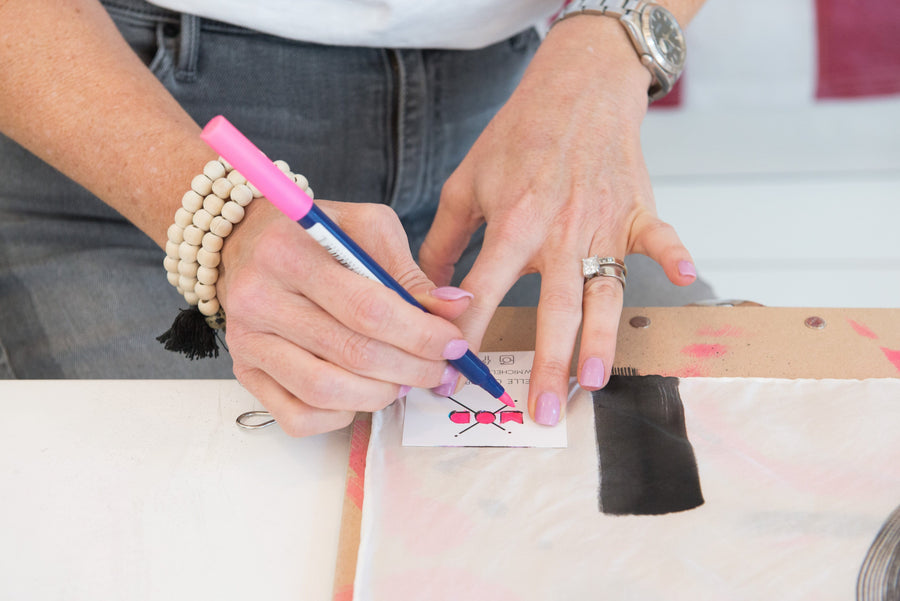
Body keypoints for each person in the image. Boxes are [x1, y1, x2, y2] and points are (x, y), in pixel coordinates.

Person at [0, 0, 712, 435]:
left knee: (709, 460)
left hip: (516, 124)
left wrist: (610, 46)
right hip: (115, 128)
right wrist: (214, 219)